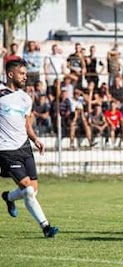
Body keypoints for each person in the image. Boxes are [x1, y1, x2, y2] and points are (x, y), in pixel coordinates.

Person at [0, 59, 58, 238]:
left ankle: (8, 197)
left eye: (26, 73)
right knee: (27, 189)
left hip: (24, 147)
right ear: (11, 74)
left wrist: (35, 140)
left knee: (33, 189)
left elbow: (27, 125)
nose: (25, 77)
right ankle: (46, 227)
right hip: (6, 149)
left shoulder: (25, 98)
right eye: (22, 74)